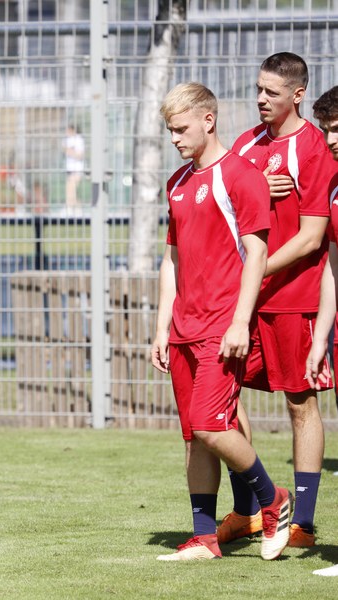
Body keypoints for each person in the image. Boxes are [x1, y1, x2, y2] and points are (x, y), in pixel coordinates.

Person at [151, 82, 291, 561]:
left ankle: (273, 499)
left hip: (221, 327)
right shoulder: (176, 182)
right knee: (194, 438)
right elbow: (170, 261)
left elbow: (257, 254)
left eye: (181, 128)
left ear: (208, 121)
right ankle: (205, 538)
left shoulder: (241, 176)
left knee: (210, 426)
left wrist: (239, 321)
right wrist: (161, 328)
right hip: (182, 329)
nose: (175, 138)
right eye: (170, 131)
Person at [219, 53, 334, 549]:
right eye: (258, 89)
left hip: (293, 298)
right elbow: (223, 200)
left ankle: (302, 524)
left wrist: (255, 271)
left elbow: (312, 238)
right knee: (222, 397)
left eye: (272, 91)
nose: (261, 99)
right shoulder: (246, 144)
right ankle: (249, 508)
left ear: (298, 94)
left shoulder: (313, 148)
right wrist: (256, 188)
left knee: (299, 404)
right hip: (245, 300)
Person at [301, 85, 338, 576]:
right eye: (327, 129)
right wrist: (320, 338)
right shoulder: (333, 186)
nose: (331, 139)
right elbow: (332, 266)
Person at [63, 124, 85, 210]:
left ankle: (70, 208)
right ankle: (77, 209)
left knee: (71, 189)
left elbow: (80, 155)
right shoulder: (68, 140)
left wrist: (69, 152)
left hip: (77, 168)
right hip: (70, 168)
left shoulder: (78, 140)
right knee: (70, 189)